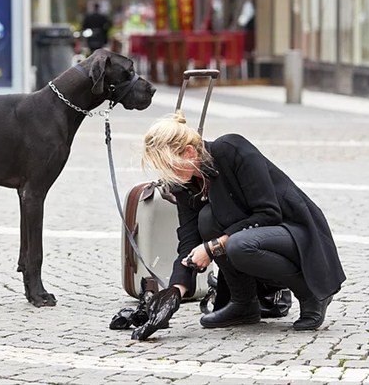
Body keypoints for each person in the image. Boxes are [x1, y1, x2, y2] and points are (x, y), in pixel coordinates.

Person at [131, 114, 345, 340]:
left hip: (294, 231)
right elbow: (188, 239)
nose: (169, 176)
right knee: (207, 219)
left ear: (190, 152)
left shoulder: (230, 149)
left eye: (170, 167)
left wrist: (214, 247)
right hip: (256, 236)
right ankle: (244, 303)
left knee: (238, 245)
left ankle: (311, 294)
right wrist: (174, 292)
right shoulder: (184, 185)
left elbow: (268, 213)